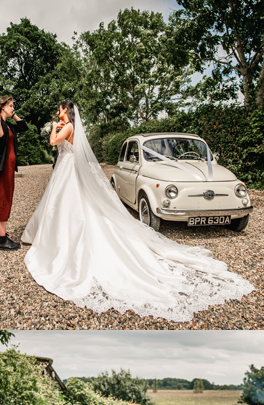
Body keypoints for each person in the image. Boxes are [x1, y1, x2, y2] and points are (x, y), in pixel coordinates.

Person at [19, 100, 253, 321]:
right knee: (62, 204)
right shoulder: (70, 126)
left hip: (68, 169)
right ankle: (54, 238)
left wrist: (53, 128)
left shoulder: (68, 126)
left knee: (70, 205)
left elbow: (53, 142)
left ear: (67, 111)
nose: (58, 112)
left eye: (60, 109)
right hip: (65, 169)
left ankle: (61, 243)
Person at [0, 96, 29, 251]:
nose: (13, 108)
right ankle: (2, 240)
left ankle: (3, 234)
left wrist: (13, 115)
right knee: (3, 199)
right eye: (10, 106)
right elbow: (0, 138)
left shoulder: (9, 124)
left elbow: (24, 127)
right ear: (2, 106)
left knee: (7, 198)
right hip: (1, 166)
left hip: (9, 168)